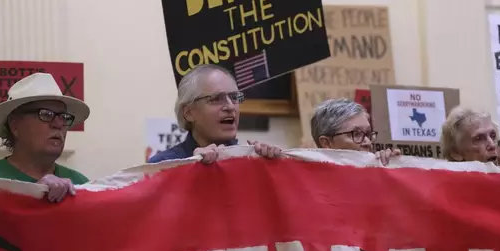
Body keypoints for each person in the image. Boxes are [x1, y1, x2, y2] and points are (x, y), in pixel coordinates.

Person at [0, 73, 90, 203]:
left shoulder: (81, 184)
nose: (58, 124)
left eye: (64, 117)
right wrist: (32, 195)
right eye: (46, 114)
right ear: (15, 126)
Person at [148, 64, 281, 164]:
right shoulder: (163, 167)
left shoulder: (252, 160)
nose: (230, 106)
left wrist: (273, 166)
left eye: (234, 97)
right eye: (216, 99)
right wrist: (191, 166)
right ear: (188, 113)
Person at [310, 98, 400, 165]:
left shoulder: (380, 168)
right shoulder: (311, 185)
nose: (367, 142)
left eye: (368, 134)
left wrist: (393, 167)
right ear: (327, 143)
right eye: (356, 134)